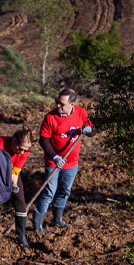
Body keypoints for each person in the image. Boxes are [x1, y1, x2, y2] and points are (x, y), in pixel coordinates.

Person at [34, 88, 95, 232]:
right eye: (57, 102)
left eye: (61, 104)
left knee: (64, 191)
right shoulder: (50, 117)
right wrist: (55, 157)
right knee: (49, 192)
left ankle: (57, 219)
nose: (58, 106)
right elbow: (43, 140)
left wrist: (88, 130)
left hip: (72, 163)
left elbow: (93, 130)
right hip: (53, 162)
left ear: (72, 104)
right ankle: (38, 226)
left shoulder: (81, 113)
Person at [0, 126, 34, 247]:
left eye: (25, 150)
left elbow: (15, 171)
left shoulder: (25, 151)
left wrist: (14, 185)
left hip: (10, 173)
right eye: (21, 149)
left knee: (20, 200)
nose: (22, 152)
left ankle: (21, 236)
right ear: (14, 141)